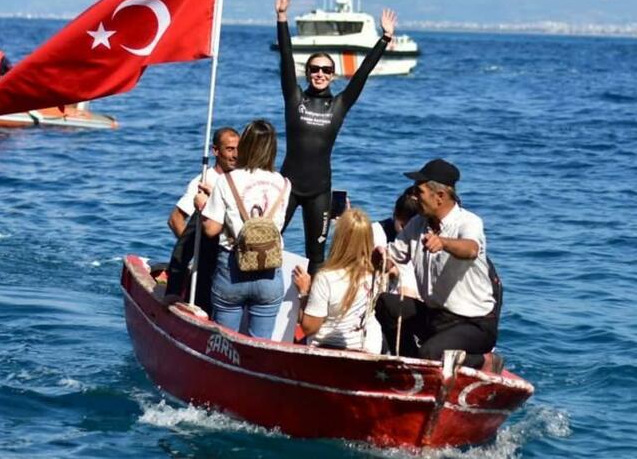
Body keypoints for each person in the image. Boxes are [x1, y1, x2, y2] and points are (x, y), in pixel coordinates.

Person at [275, 0, 397, 275]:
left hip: (320, 189)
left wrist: (385, 38)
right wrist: (281, 18)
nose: (319, 73)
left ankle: (311, 313)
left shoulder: (340, 104)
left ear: (333, 75)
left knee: (316, 254)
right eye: (315, 69)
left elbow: (363, 72)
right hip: (288, 186)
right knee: (267, 240)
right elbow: (286, 56)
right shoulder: (295, 98)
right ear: (308, 72)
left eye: (326, 70)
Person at [376, 159, 502, 372]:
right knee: (386, 303)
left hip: (474, 324)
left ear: (440, 196)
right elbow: (393, 256)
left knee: (431, 353)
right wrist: (381, 259)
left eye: (419, 192)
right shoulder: (417, 223)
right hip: (435, 317)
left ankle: (484, 361)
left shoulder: (468, 222)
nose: (414, 197)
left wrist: (444, 243)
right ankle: (410, 367)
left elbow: (470, 249)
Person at [202, 119, 291, 339]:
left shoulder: (227, 180)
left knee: (225, 345)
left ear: (246, 145)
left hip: (232, 270)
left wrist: (202, 203)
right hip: (269, 272)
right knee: (259, 347)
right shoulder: (284, 183)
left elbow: (211, 230)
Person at [163, 127, 240, 311]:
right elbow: (175, 219)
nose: (236, 155)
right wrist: (197, 253)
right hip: (206, 260)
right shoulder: (205, 180)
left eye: (239, 149)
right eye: (230, 149)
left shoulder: (241, 179)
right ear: (215, 151)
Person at [291, 208, 384, 353]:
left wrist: (304, 293)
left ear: (339, 239)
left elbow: (309, 328)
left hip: (327, 348)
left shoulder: (326, 277)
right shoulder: (375, 273)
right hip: (366, 346)